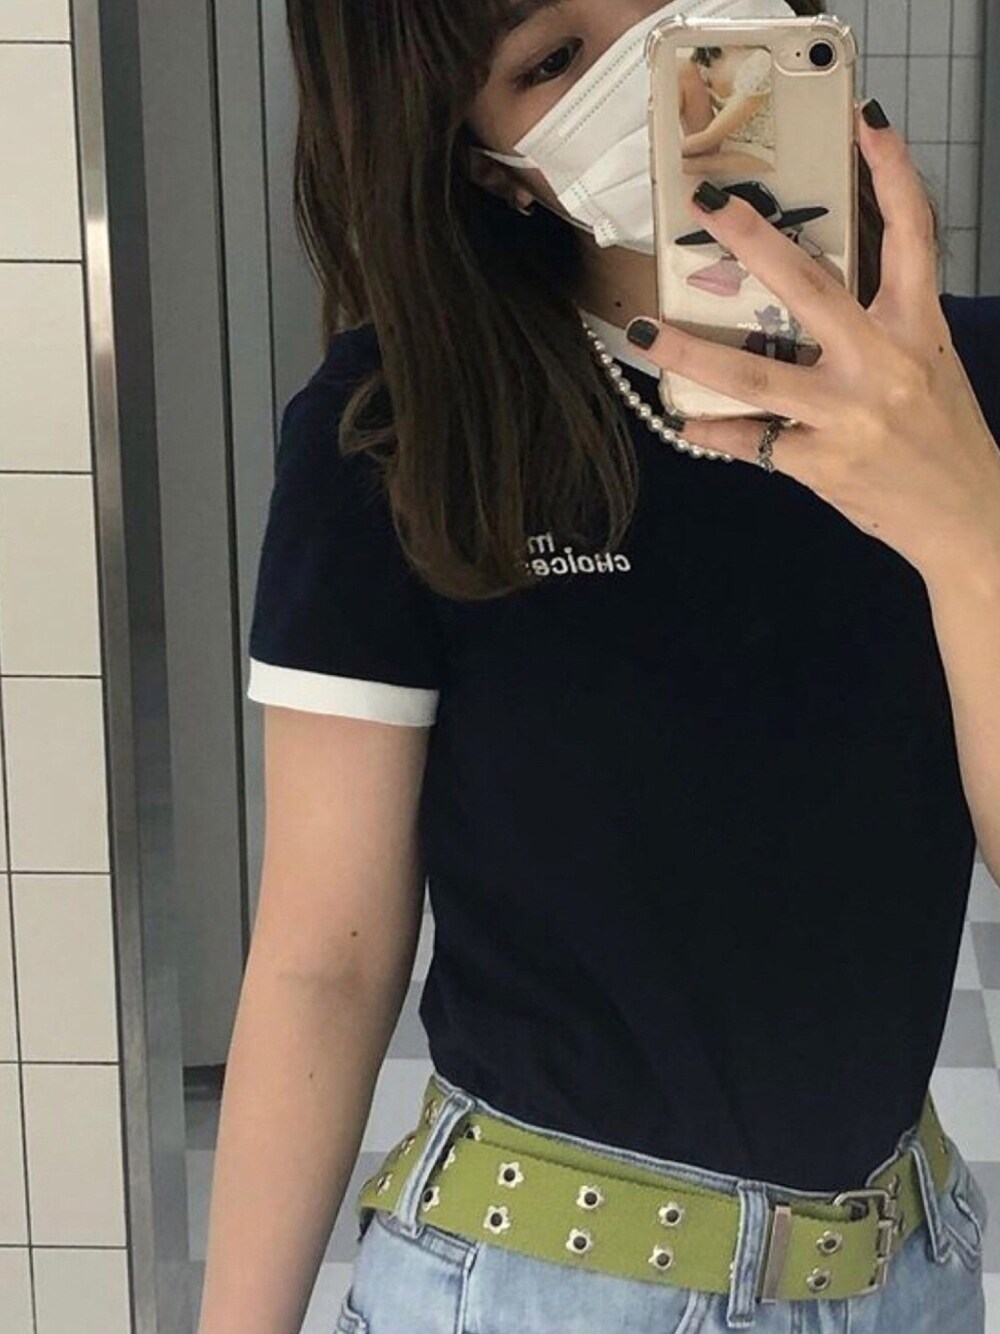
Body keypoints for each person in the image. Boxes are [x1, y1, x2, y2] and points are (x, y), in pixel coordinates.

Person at [197, 2, 1000, 1332]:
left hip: (903, 1273)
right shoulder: (404, 431)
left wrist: (970, 528)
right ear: (490, 161)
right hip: (540, 1284)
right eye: (553, 59)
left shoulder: (976, 389)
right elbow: (324, 958)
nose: (653, 61)